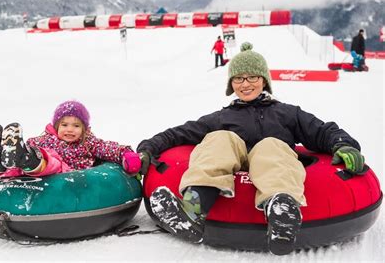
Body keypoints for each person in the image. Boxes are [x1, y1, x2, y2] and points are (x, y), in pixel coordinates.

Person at [137, 42, 366, 255]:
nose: (245, 84)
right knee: (219, 138)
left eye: (252, 77)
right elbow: (179, 133)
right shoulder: (223, 117)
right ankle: (192, 210)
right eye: (238, 79)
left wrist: (344, 145)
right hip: (234, 161)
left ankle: (282, 215)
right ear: (231, 85)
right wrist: (148, 148)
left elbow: (323, 131)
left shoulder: (287, 113)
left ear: (264, 79)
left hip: (274, 163)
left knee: (271, 145)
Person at [0, 100, 142, 177]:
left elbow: (108, 148)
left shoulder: (88, 142)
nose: (70, 130)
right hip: (34, 169)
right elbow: (32, 144)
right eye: (64, 125)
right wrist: (23, 148)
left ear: (84, 129)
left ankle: (25, 158)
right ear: (56, 126)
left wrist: (126, 154)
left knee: (52, 162)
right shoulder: (46, 139)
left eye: (76, 126)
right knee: (16, 166)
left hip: (64, 172)